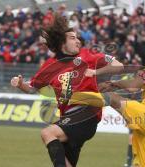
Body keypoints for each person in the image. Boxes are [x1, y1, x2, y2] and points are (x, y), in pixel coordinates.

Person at [10, 14, 123, 167]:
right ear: (61, 42)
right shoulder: (49, 66)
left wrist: (96, 72)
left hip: (87, 114)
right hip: (67, 118)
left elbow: (119, 66)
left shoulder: (87, 56)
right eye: (72, 38)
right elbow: (32, 89)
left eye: (77, 38)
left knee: (48, 133)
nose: (77, 41)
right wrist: (20, 84)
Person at [69, 42, 145, 167]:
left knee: (111, 97)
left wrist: (113, 84)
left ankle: (75, 98)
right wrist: (114, 84)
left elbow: (133, 86)